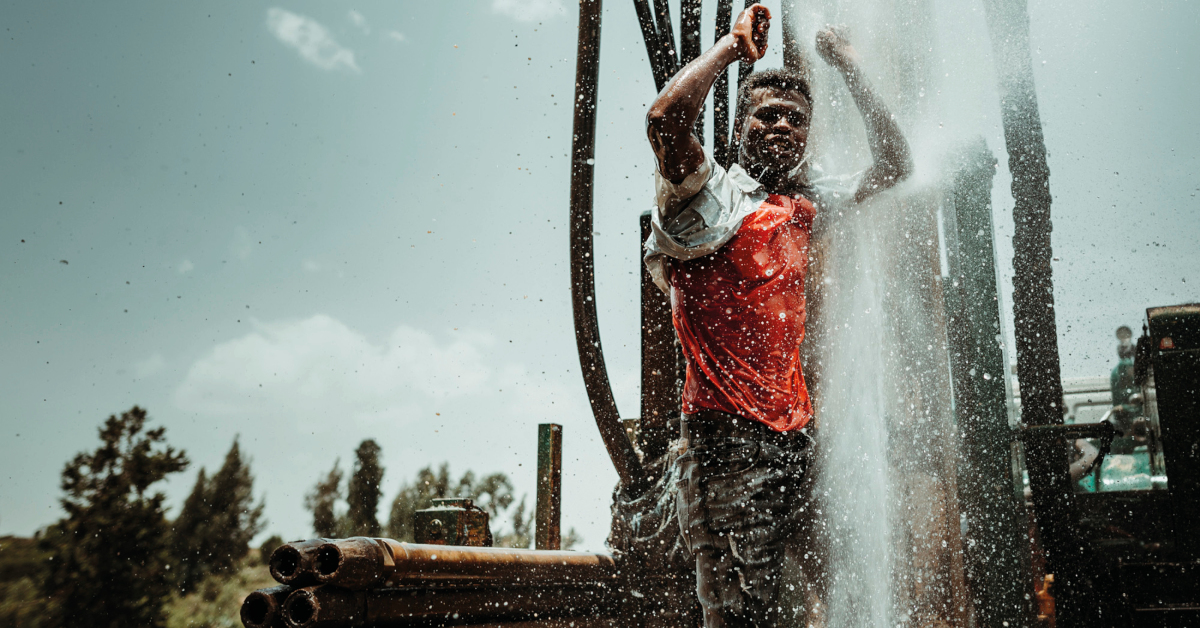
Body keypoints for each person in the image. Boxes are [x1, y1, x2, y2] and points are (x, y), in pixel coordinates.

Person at [642, 4, 912, 627]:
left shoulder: (807, 203)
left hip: (798, 435)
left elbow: (897, 165)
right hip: (724, 442)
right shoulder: (705, 196)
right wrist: (733, 51)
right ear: (740, 128)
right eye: (768, 114)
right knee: (740, 614)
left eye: (796, 120)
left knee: (814, 598)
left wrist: (849, 70)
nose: (784, 126)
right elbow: (664, 120)